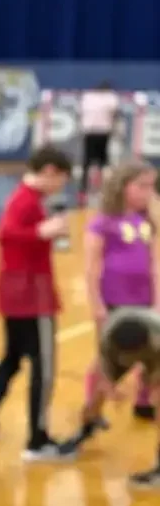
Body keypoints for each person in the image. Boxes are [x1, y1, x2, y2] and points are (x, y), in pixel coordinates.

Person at [60, 162, 159, 456]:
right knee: (107, 368)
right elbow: (92, 268)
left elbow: (155, 264)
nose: (146, 193)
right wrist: (97, 305)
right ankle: (89, 418)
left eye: (151, 187)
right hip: (115, 305)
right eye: (140, 186)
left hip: (145, 305)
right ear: (122, 186)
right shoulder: (104, 221)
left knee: (153, 365)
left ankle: (143, 404)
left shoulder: (148, 219)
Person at [0, 146, 72, 460]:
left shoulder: (26, 198)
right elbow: (5, 233)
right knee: (43, 366)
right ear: (49, 171)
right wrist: (40, 231)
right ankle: (38, 439)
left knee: (12, 359)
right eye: (61, 178)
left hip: (16, 292)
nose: (62, 185)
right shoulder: (26, 199)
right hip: (32, 296)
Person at [68, 307, 160, 487]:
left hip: (155, 356)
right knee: (97, 395)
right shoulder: (108, 337)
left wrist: (149, 387)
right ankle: (87, 426)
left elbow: (154, 382)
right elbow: (103, 376)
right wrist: (111, 390)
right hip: (118, 351)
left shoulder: (157, 337)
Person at [78, 81, 119, 199]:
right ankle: (102, 185)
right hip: (103, 132)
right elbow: (115, 113)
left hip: (89, 132)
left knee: (87, 161)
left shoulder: (87, 97)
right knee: (103, 161)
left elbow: (81, 113)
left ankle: (83, 187)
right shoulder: (110, 98)